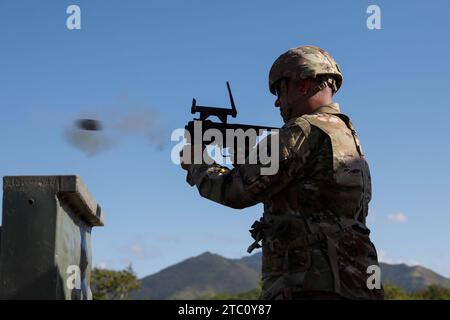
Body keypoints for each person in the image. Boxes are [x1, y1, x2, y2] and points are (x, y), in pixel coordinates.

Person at [181, 45, 384, 300]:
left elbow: (236, 191)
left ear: (303, 83)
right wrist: (245, 155)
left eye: (280, 89)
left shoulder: (302, 131)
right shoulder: (345, 133)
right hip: (354, 284)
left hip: (309, 285)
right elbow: (304, 199)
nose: (277, 101)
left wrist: (197, 164)